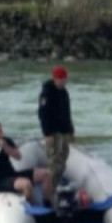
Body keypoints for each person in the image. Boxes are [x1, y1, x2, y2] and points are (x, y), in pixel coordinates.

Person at [0, 120, 50, 205]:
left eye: (0, 132)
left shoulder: (5, 141)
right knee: (26, 184)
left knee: (45, 174)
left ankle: (47, 203)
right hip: (0, 181)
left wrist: (6, 147)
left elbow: (18, 156)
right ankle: (32, 208)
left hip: (12, 174)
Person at [38, 65, 75, 205]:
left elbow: (67, 113)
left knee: (62, 160)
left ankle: (58, 186)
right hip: (52, 132)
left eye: (64, 79)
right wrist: (47, 133)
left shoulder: (64, 93)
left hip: (64, 131)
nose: (63, 81)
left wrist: (71, 131)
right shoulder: (47, 93)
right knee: (54, 162)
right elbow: (43, 114)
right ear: (55, 79)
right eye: (60, 79)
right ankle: (49, 194)